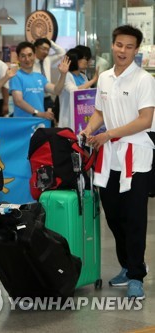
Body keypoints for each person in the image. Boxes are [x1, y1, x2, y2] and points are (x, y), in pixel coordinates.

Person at [80, 25, 155, 300]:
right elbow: (100, 111)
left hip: (136, 157)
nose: (123, 51)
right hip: (109, 156)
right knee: (114, 216)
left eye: (129, 47)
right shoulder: (106, 78)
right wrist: (89, 130)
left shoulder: (144, 80)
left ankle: (136, 275)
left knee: (135, 219)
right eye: (119, 45)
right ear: (112, 46)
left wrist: (108, 134)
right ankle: (128, 265)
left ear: (137, 50)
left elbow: (145, 120)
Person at [9, 41, 70, 121]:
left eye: (30, 55)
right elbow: (18, 101)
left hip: (39, 122)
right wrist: (39, 113)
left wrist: (63, 75)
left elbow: (56, 90)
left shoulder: (39, 77)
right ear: (18, 58)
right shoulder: (16, 76)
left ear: (34, 56)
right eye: (23, 56)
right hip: (22, 123)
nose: (27, 59)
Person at [58, 48, 99, 128]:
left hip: (82, 118)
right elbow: (74, 91)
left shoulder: (83, 76)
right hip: (69, 120)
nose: (86, 61)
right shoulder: (66, 75)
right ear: (75, 60)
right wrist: (93, 80)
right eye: (83, 58)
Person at [33, 38, 66, 111]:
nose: (46, 52)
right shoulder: (29, 63)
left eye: (48, 50)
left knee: (49, 120)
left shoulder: (47, 59)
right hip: (35, 98)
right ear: (36, 48)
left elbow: (62, 52)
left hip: (48, 97)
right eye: (43, 49)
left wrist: (50, 42)